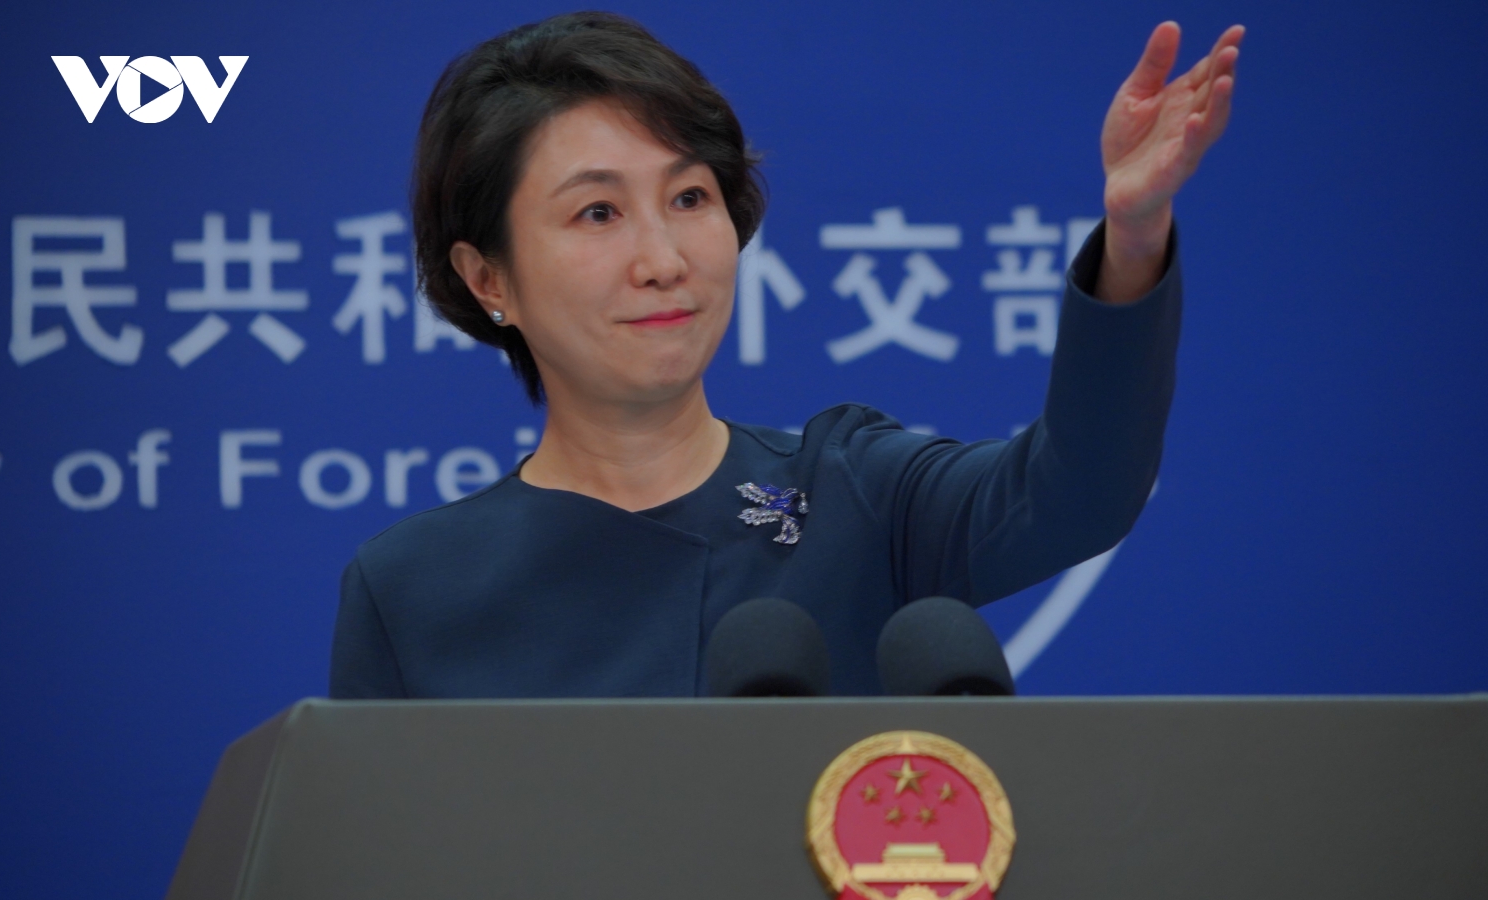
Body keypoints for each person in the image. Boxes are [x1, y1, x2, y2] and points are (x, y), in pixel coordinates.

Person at [330, 11, 1242, 698]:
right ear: (488, 277)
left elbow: (1078, 492)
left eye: (690, 198)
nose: (663, 260)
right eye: (598, 212)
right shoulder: (414, 587)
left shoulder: (856, 491)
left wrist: (1134, 234)